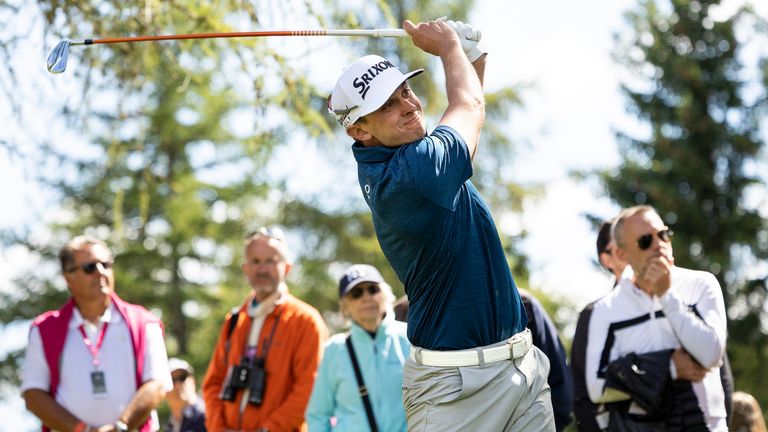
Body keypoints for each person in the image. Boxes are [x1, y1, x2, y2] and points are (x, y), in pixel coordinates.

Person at [327, 18, 554, 431]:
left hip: (522, 369)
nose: (411, 106)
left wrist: (472, 57)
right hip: (454, 390)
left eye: (406, 91)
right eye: (388, 106)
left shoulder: (418, 157)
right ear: (359, 129)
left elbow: (467, 124)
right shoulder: (411, 177)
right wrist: (450, 47)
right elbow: (469, 108)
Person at [585, 205, 730, 431]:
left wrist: (666, 295)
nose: (659, 245)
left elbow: (711, 354)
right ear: (622, 254)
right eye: (645, 241)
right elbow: (596, 387)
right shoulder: (606, 309)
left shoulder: (702, 284)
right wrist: (667, 367)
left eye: (663, 235)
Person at [20, 236, 172, 432]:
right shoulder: (44, 329)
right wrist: (83, 430)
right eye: (90, 267)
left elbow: (157, 385)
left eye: (106, 265)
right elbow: (33, 395)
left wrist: (120, 427)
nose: (100, 272)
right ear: (68, 277)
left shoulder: (144, 322)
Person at [202, 226, 329, 432]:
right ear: (245, 268)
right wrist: (218, 428)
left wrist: (269, 429)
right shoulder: (234, 320)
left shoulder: (305, 321)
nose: (262, 269)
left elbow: (309, 389)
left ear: (287, 267)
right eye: (255, 261)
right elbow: (213, 384)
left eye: (271, 261)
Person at [306, 264, 410, 431]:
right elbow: (318, 414)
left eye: (372, 289)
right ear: (345, 306)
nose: (366, 297)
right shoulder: (334, 349)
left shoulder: (410, 338)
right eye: (356, 293)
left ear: (384, 294)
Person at [570, 220, 626, 432]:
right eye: (620, 245)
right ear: (607, 259)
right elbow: (581, 394)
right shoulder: (592, 315)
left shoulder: (678, 301)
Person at [165, 357, 206, 432]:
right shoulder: (170, 424)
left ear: (193, 381)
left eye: (182, 378)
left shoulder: (207, 416)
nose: (178, 385)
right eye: (172, 380)